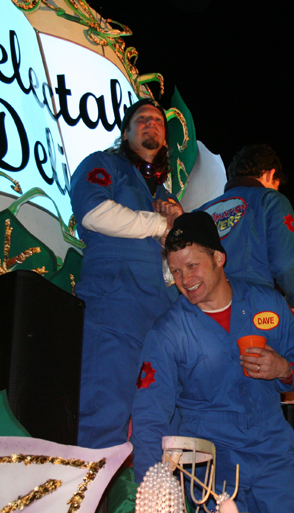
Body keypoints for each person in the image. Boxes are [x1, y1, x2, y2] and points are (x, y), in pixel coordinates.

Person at [131, 211, 294, 512]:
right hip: (210, 468)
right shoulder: (167, 333)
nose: (185, 280)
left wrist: (283, 368)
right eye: (176, 271)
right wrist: (152, 491)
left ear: (219, 257)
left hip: (273, 457)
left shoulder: (268, 302)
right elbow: (148, 418)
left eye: (192, 266)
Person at [70, 98, 182, 449]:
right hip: (114, 310)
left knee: (163, 428)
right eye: (143, 118)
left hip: (161, 319)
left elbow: (174, 268)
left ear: (164, 140)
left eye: (159, 122)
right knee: (102, 415)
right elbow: (93, 212)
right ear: (126, 131)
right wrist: (160, 224)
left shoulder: (165, 196)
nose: (152, 124)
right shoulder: (105, 164)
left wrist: (177, 231)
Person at [198, 143, 294, 310]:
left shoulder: (200, 213)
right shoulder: (270, 200)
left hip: (206, 314)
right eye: (277, 185)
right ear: (271, 174)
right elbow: (286, 264)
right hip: (255, 309)